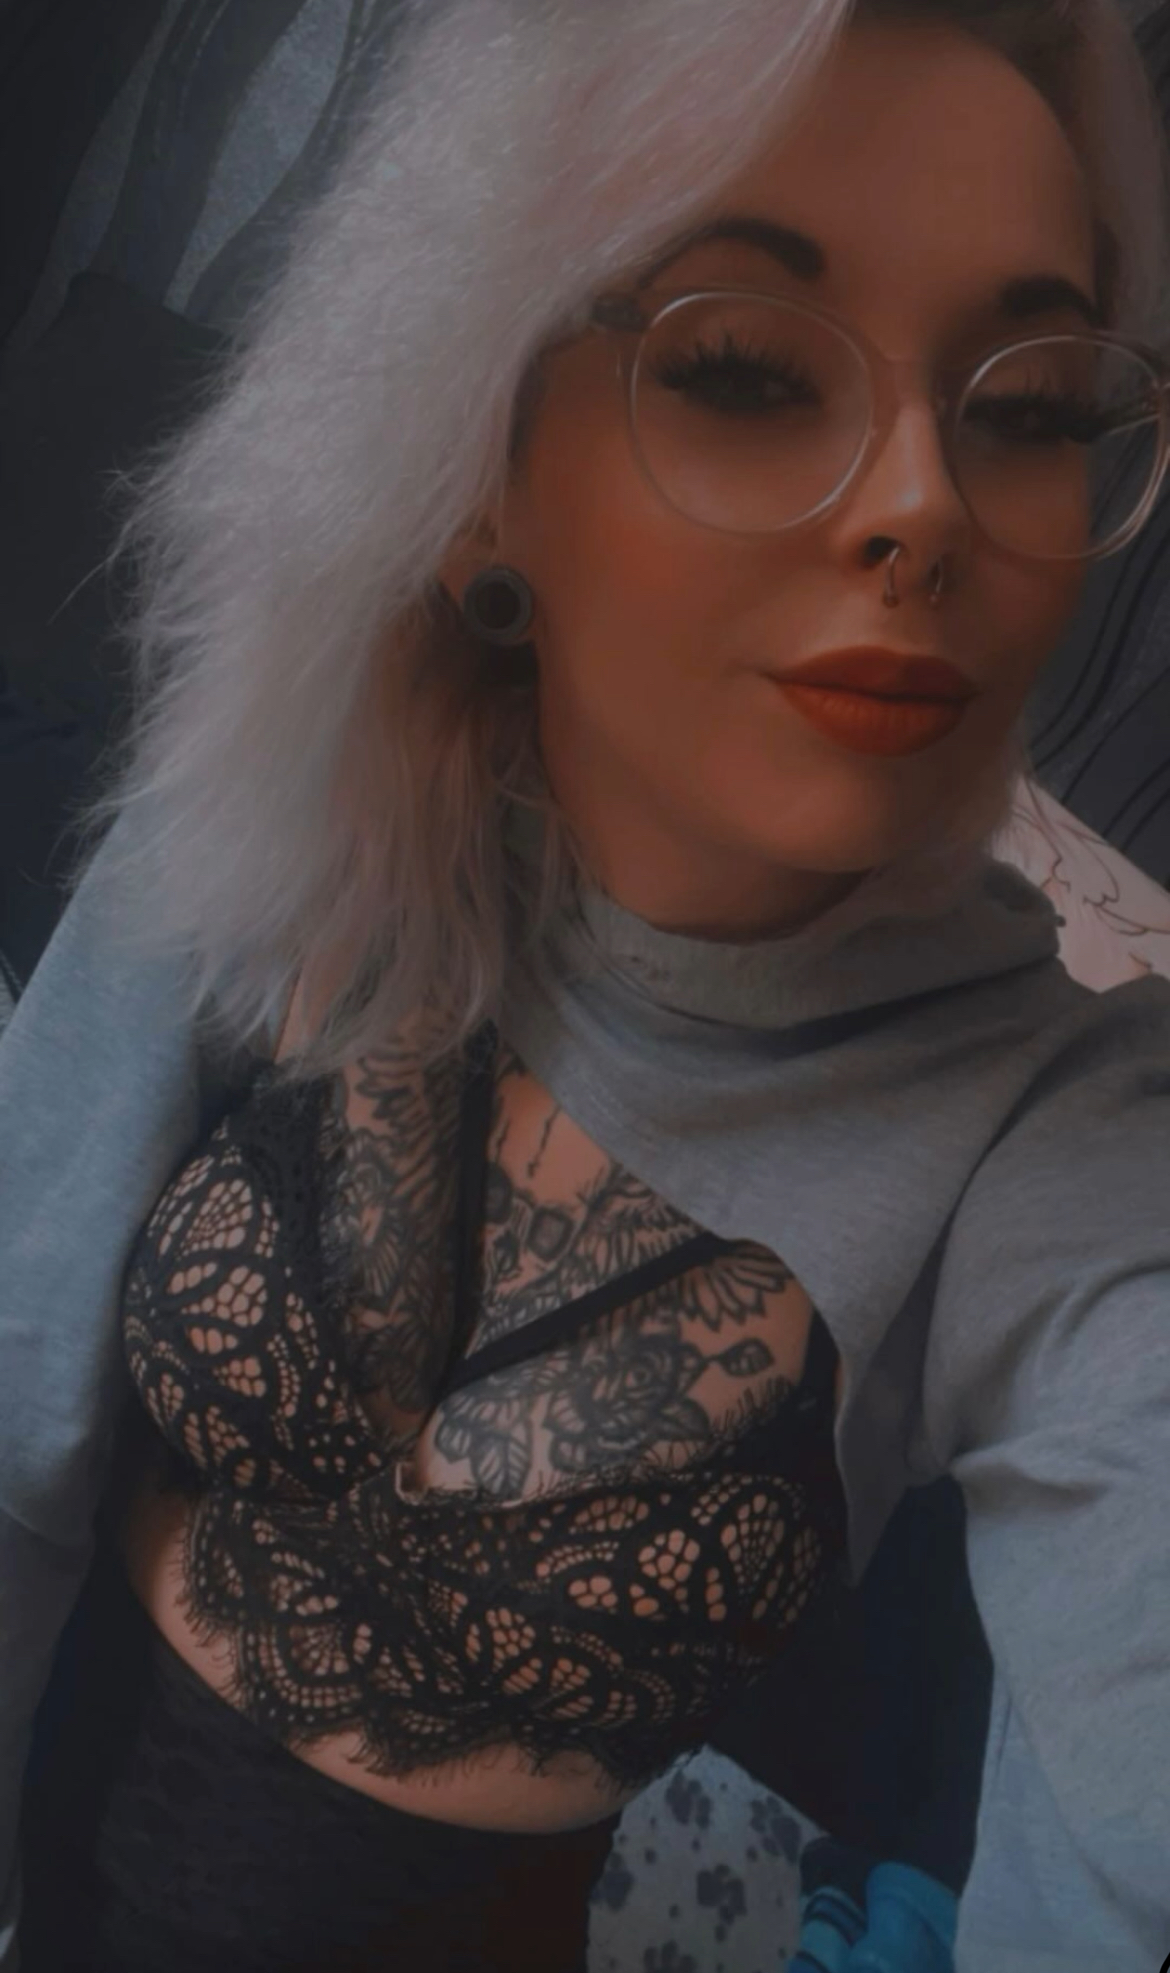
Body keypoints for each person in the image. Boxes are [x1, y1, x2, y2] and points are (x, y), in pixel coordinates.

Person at [2, 0, 1170, 1968]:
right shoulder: (282, 796)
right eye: (742, 366)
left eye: (1032, 406)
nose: (927, 501)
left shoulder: (1061, 1145)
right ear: (479, 458)